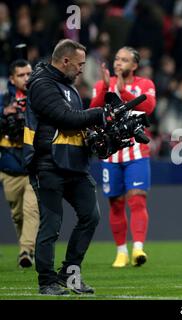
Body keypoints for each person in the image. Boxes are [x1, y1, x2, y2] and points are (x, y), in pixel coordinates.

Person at [24, 39, 108, 295]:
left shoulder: (69, 88)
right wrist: (100, 113)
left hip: (73, 164)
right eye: (80, 64)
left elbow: (77, 126)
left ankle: (69, 275)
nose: (83, 69)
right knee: (51, 223)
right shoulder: (41, 84)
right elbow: (65, 118)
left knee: (90, 216)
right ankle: (46, 281)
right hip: (47, 164)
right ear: (65, 61)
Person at [90, 46, 156, 268]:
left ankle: (138, 248)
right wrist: (105, 89)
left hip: (136, 152)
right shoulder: (101, 85)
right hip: (111, 154)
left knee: (137, 198)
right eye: (117, 59)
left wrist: (123, 92)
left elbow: (148, 108)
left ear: (134, 65)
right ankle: (121, 252)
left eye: (124, 60)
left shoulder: (145, 85)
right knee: (115, 203)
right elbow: (92, 112)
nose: (118, 63)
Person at [0, 59, 39, 268]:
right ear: (13, 79)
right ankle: (28, 246)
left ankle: (26, 251)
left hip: (33, 165)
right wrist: (4, 114)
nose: (27, 78)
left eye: (29, 74)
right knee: (17, 214)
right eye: (22, 75)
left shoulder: (38, 99)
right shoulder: (4, 100)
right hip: (9, 167)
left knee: (32, 210)